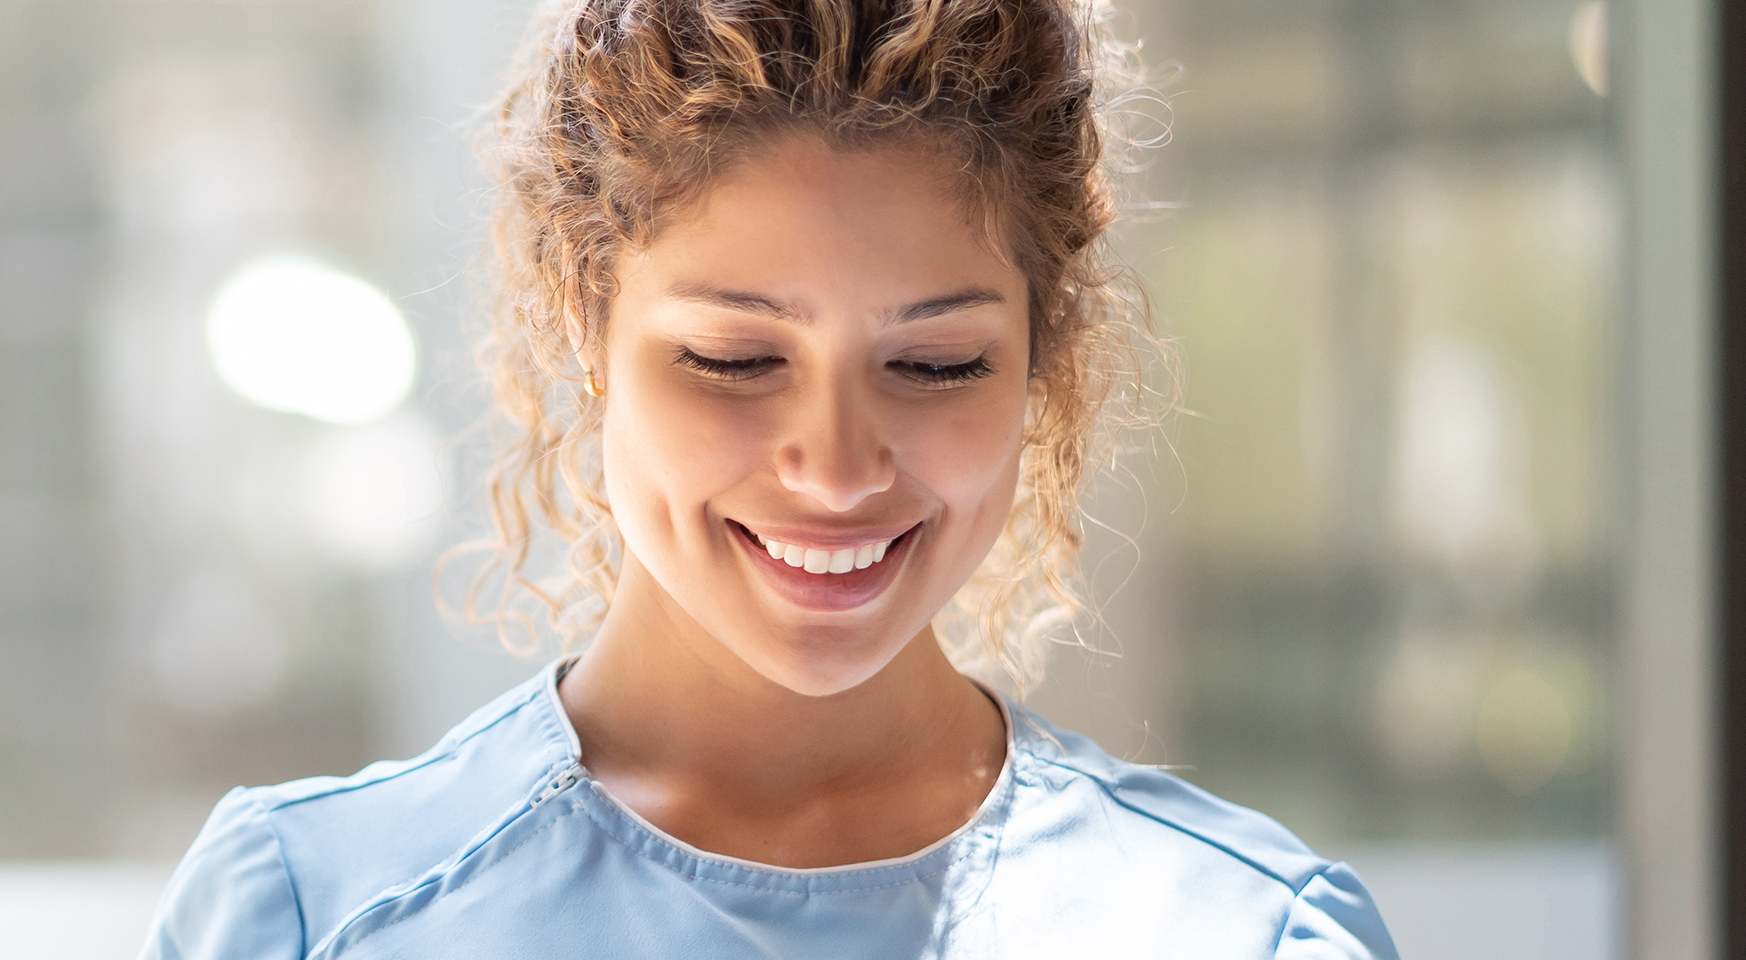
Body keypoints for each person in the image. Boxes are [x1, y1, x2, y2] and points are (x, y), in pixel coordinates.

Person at [140, 0, 1397, 956]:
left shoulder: (1243, 931)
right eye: (735, 359)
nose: (837, 469)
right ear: (585, 322)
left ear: (1041, 355)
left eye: (938, 362)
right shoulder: (319, 915)